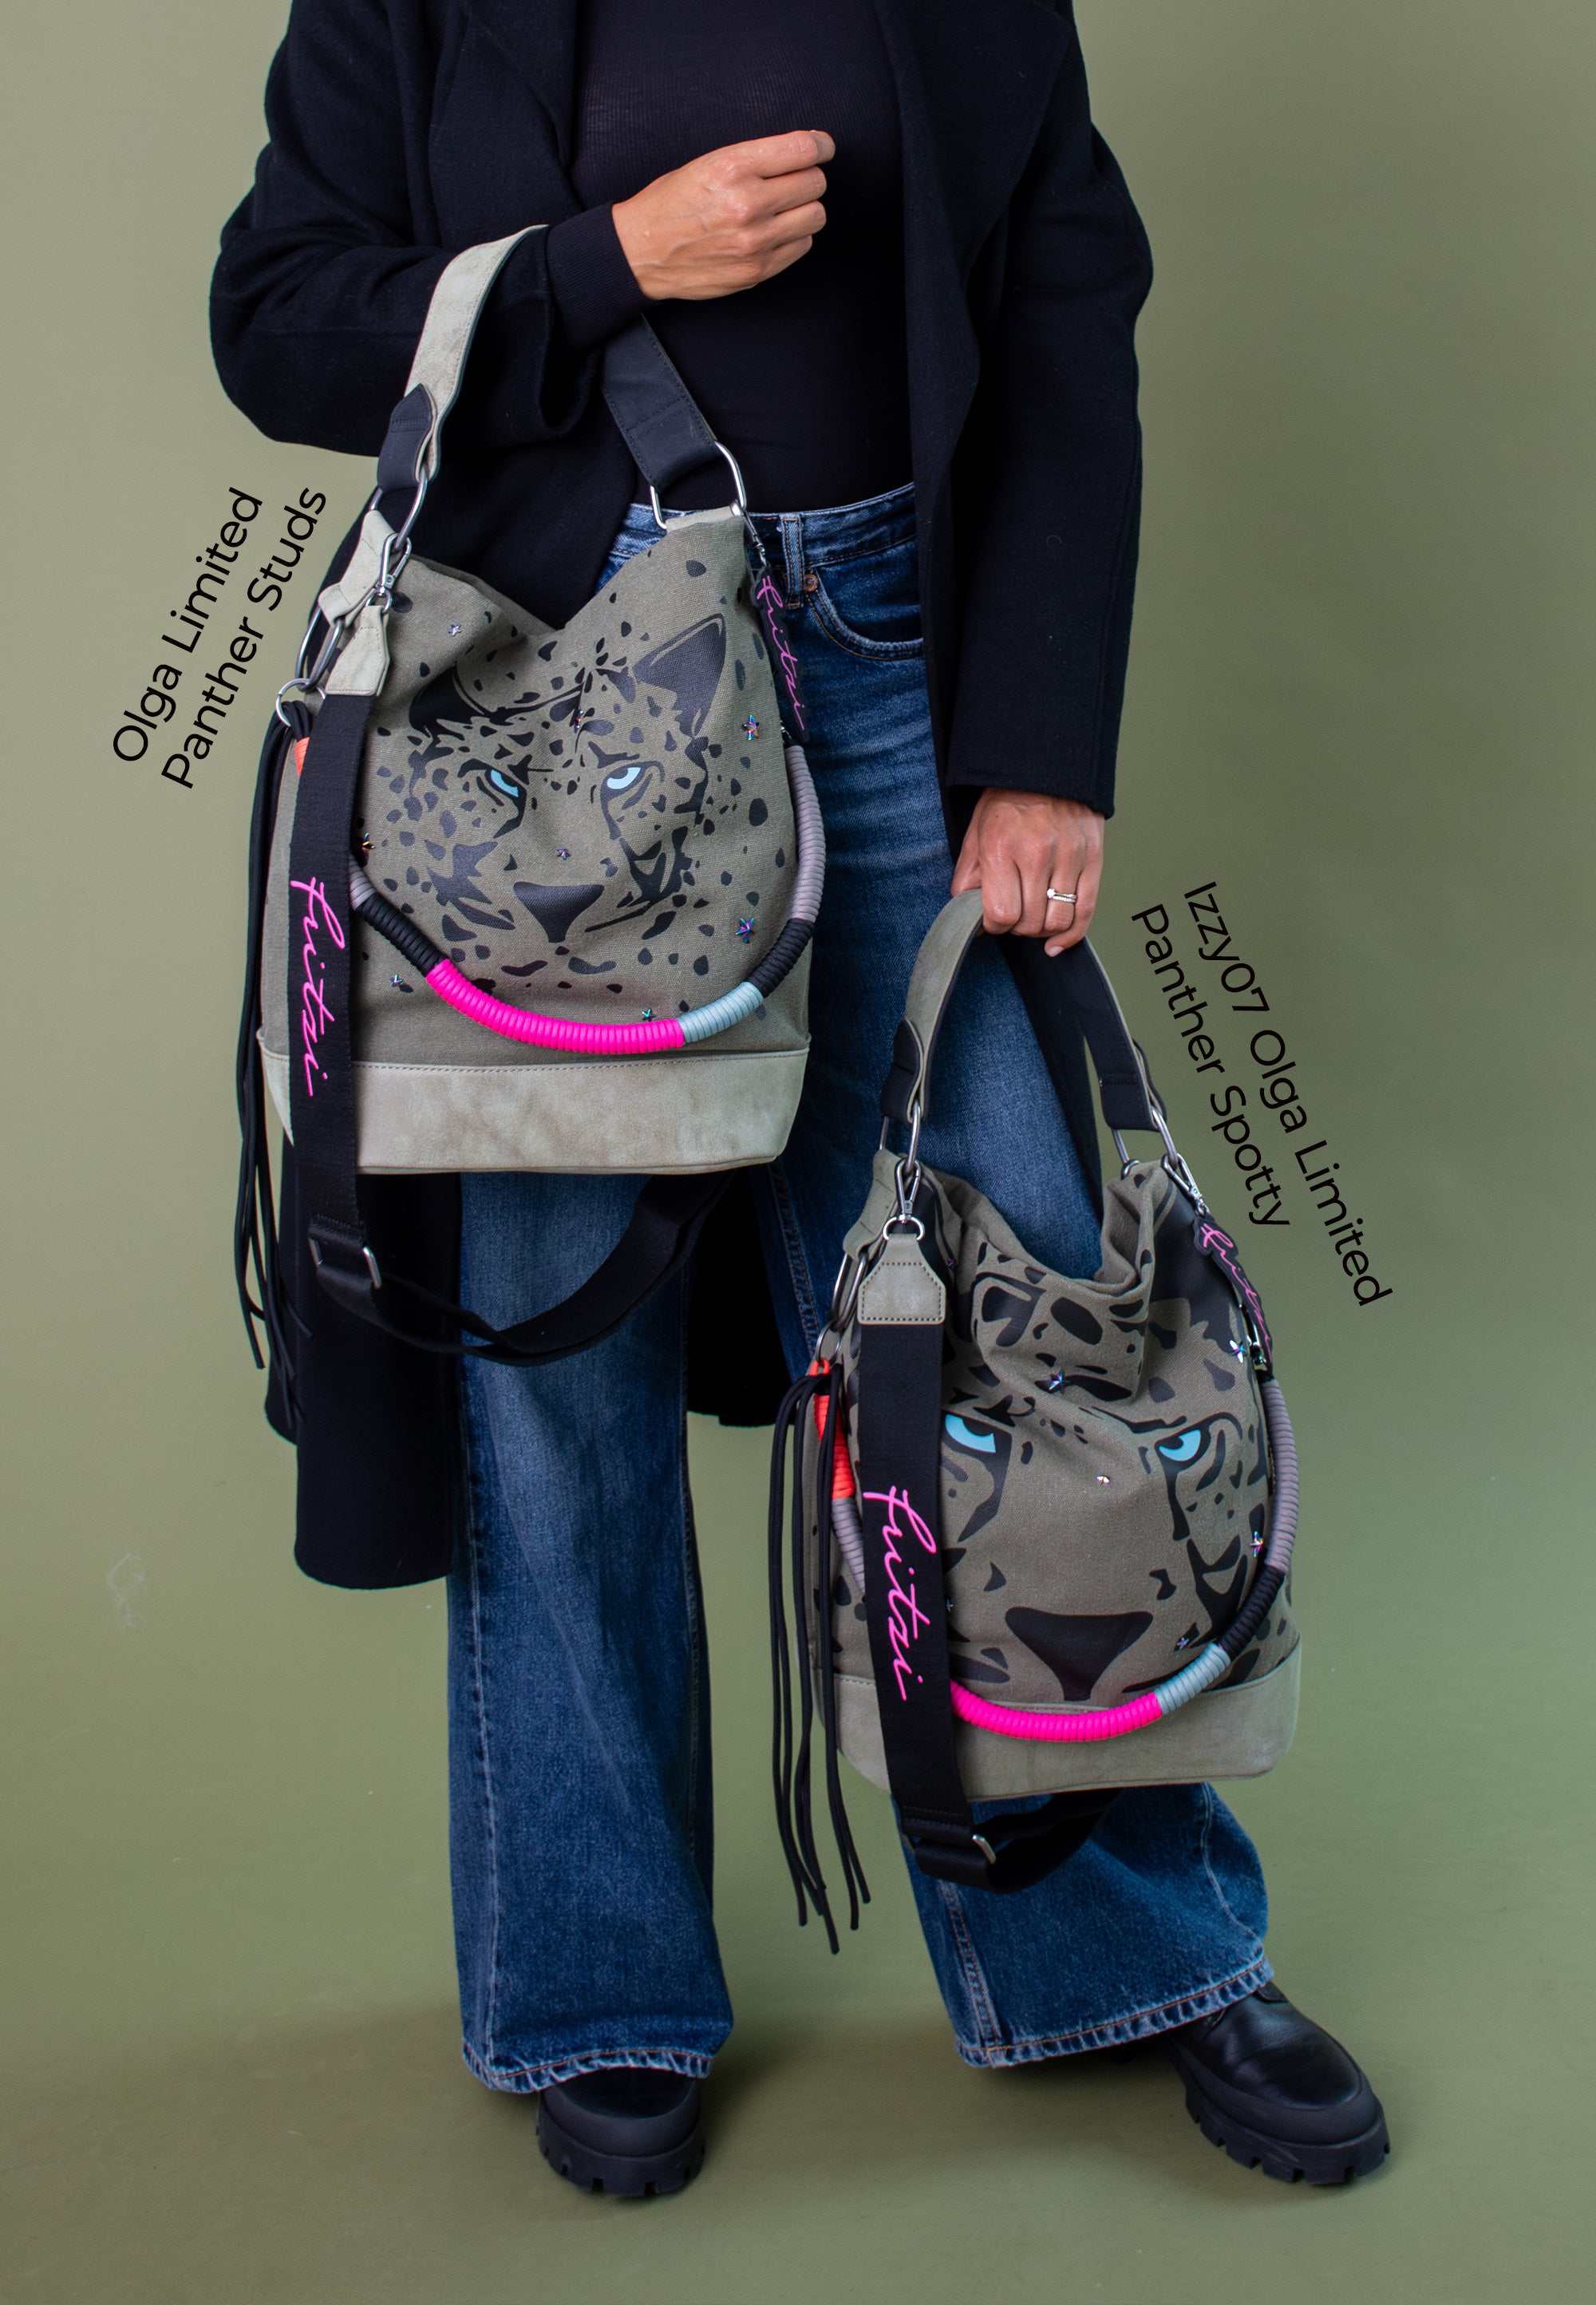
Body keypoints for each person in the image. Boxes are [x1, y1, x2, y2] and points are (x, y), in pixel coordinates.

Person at [213, 0, 1388, 2197]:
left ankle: (1131, 1960)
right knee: (549, 1391)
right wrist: (606, 264)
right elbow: (275, 316)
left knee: (1029, 1313)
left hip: (891, 663)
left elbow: (1066, 299)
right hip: (551, 716)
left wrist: (1041, 735)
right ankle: (602, 1990)